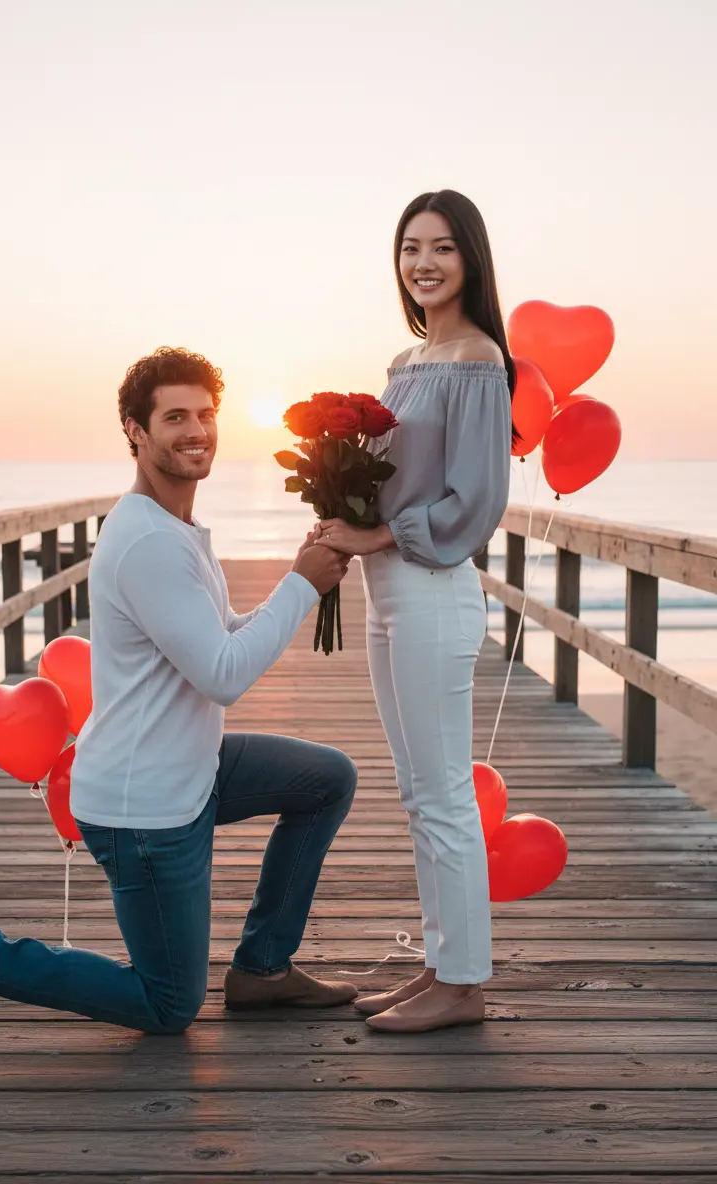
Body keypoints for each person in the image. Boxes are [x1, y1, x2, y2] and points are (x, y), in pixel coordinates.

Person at [0, 346, 359, 1036]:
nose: (196, 430)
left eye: (205, 414)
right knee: (168, 1004)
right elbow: (223, 674)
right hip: (144, 810)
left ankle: (262, 969)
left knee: (326, 778)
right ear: (135, 432)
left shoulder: (175, 530)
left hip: (187, 771)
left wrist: (298, 570)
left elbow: (215, 635)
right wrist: (302, 586)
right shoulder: (147, 543)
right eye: (175, 416)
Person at [314, 191, 514, 1032]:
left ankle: (464, 986)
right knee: (416, 793)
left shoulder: (478, 361)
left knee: (443, 796)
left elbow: (475, 505)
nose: (422, 262)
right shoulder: (407, 361)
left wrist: (373, 534)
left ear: (470, 256)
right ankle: (439, 966)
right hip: (389, 594)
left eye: (440, 247)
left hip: (432, 590)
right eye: (408, 248)